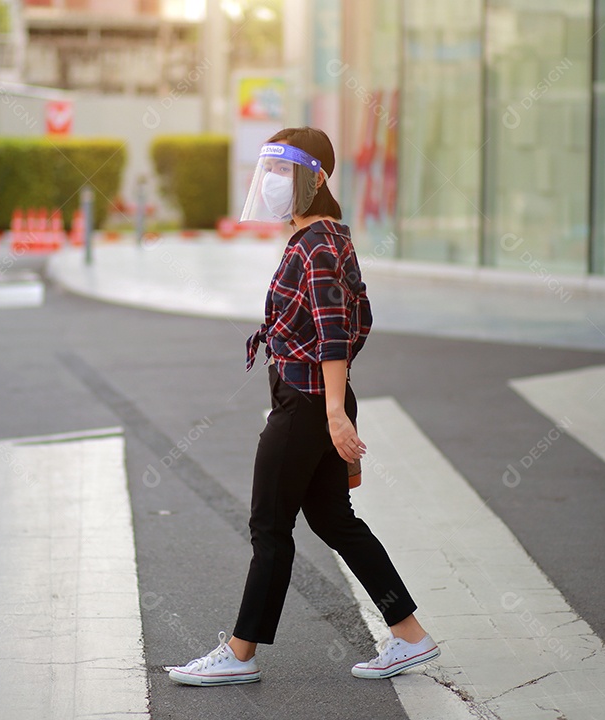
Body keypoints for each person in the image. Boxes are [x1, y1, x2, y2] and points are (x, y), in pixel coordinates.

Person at [166, 127, 439, 686]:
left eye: (280, 172)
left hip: (309, 403)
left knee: (269, 526)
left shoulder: (316, 245)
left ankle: (240, 654)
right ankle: (411, 636)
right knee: (335, 521)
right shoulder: (324, 237)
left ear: (311, 180)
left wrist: (334, 413)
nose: (268, 183)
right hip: (314, 400)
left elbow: (334, 333)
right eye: (265, 171)